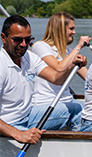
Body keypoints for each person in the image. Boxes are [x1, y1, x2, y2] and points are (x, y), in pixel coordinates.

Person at [0, 15, 86, 144]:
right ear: (3, 38)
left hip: (28, 116)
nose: (23, 45)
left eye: (28, 39)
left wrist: (72, 64)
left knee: (76, 109)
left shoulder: (29, 57)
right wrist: (18, 134)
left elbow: (56, 78)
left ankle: (80, 147)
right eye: (17, 40)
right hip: (8, 124)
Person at [31, 12, 91, 131]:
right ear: (60, 30)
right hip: (47, 103)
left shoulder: (68, 51)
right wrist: (78, 48)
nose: (74, 32)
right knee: (84, 112)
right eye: (71, 29)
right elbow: (59, 67)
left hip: (67, 100)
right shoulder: (41, 47)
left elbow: (89, 77)